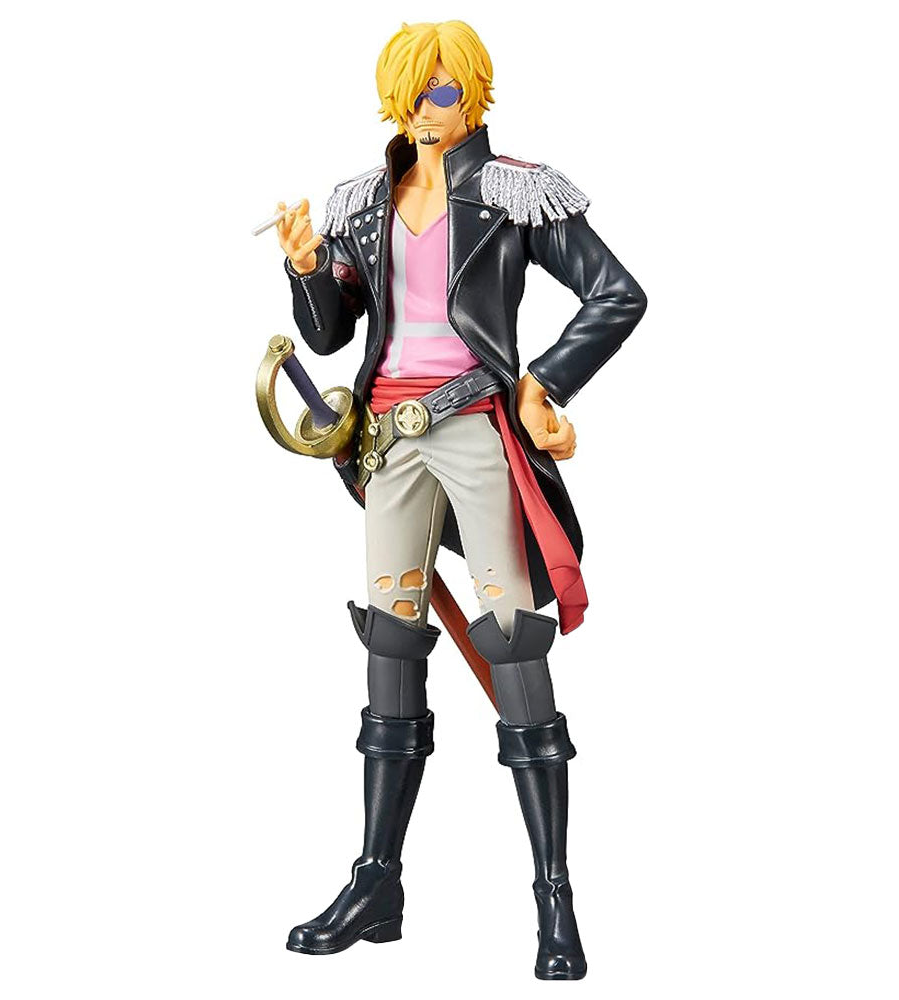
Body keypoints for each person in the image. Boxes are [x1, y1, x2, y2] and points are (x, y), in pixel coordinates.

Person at [274, 19, 646, 980]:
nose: (425, 112)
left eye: (440, 94)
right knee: (390, 638)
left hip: (476, 428)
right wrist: (308, 268)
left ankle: (555, 897)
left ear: (474, 93)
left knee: (512, 637)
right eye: (409, 97)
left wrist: (544, 384)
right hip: (387, 442)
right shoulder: (365, 202)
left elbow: (617, 293)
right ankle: (376, 882)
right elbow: (329, 335)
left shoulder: (515, 192)